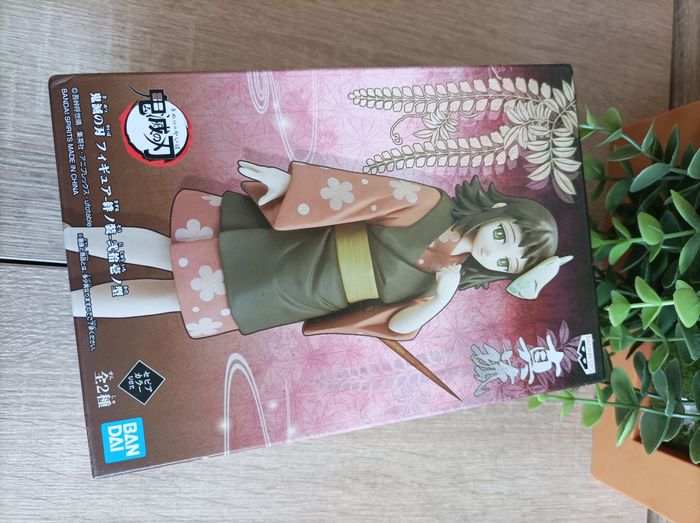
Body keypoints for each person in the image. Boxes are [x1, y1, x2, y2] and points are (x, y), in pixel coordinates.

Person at [66, 161, 570, 341]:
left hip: (299, 293)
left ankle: (72, 304)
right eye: (504, 235)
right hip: (296, 245)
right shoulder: (431, 205)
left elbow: (396, 325)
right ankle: (72, 238)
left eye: (508, 262)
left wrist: (438, 298)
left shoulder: (449, 281)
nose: (497, 252)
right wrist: (293, 187)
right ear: (498, 210)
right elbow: (370, 194)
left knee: (175, 298)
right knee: (167, 251)